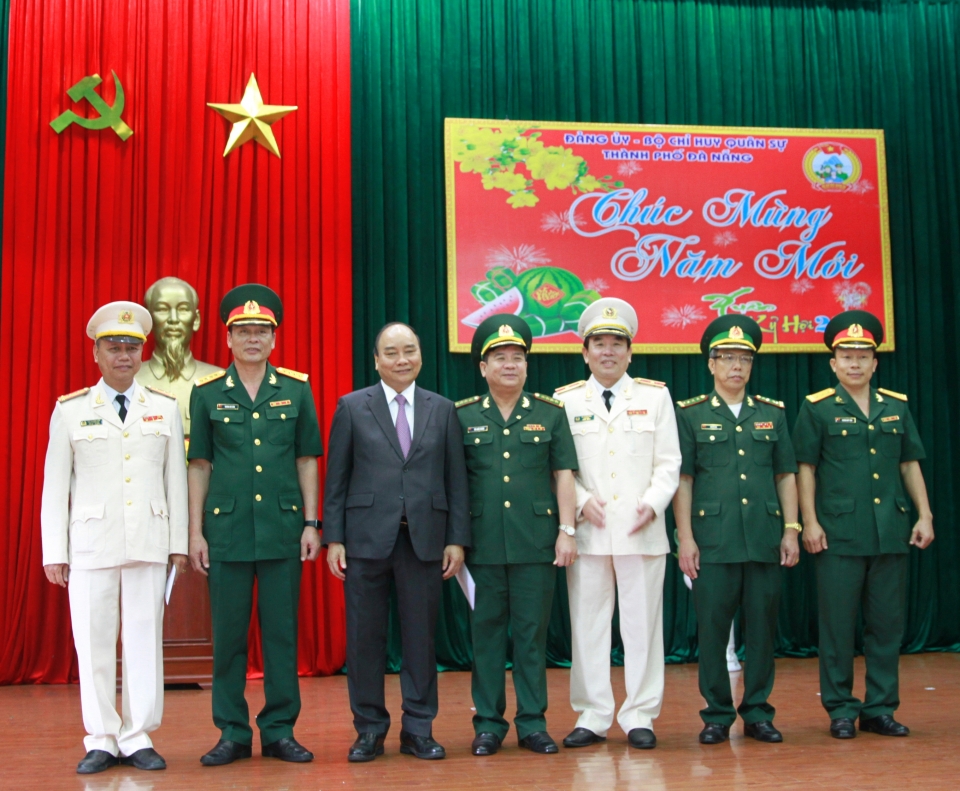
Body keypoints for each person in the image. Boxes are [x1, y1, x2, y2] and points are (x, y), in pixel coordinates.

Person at [41, 301, 188, 774]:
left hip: (148, 538)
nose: (123, 355)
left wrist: (178, 543)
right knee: (94, 641)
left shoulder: (162, 409)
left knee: (145, 641)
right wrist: (53, 551)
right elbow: (54, 487)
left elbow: (176, 482)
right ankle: (102, 737)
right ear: (96, 354)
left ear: (142, 354)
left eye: (130, 347)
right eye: (113, 347)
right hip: (90, 546)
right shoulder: (70, 410)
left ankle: (138, 734)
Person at [187, 284, 323, 766]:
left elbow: (307, 457)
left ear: (273, 338)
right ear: (227, 339)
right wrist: (194, 531)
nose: (252, 338)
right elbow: (198, 464)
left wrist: (311, 522)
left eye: (261, 331)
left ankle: (280, 729)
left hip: (283, 528)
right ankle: (232, 732)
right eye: (243, 331)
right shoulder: (205, 395)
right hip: (226, 531)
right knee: (227, 638)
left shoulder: (295, 388)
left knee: (282, 634)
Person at [322, 322, 470, 762]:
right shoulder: (352, 407)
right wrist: (335, 538)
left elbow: (456, 480)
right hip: (365, 540)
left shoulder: (442, 409)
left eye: (410, 350)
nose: (401, 359)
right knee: (365, 640)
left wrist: (456, 539)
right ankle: (368, 730)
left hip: (425, 541)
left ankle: (418, 728)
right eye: (391, 352)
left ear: (421, 356)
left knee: (421, 639)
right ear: (376, 360)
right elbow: (338, 478)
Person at [792, 310, 934, 739]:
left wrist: (924, 513)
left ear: (875, 362)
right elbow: (804, 469)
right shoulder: (817, 409)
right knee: (837, 626)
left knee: (886, 625)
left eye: (862, 356)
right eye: (846, 356)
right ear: (833, 363)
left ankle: (880, 708)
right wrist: (808, 522)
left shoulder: (896, 406)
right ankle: (839, 709)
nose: (855, 363)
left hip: (889, 528)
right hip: (838, 532)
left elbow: (909, 464)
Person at [553, 298, 681, 750]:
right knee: (588, 624)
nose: (608, 351)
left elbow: (670, 462)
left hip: (641, 529)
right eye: (599, 344)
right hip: (588, 532)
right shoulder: (566, 401)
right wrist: (582, 502)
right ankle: (592, 713)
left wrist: (654, 502)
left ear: (630, 351)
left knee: (643, 626)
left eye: (617, 344)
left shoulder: (654, 395)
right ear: (584, 352)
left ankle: (640, 713)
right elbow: (561, 466)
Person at [673, 315, 800, 745]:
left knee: (763, 630)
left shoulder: (773, 414)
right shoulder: (690, 415)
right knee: (711, 632)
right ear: (711, 364)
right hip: (714, 540)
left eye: (744, 358)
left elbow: (786, 475)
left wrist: (791, 528)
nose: (736, 366)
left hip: (764, 537)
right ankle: (717, 714)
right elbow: (684, 480)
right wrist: (685, 537)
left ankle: (759, 712)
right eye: (726, 357)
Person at [457, 314, 579, 757]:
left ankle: (532, 723)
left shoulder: (549, 413)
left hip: (536, 543)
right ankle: (488, 724)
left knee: (531, 636)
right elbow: (455, 484)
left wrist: (567, 531)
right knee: (486, 635)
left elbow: (563, 475)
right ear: (483, 367)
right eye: (500, 358)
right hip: (483, 544)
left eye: (517, 357)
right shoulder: (463, 415)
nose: (510, 364)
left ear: (527, 365)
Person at [135, 276, 222, 435]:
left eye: (183, 309)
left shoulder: (219, 381)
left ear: (195, 319)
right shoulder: (130, 380)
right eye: (162, 309)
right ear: (148, 319)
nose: (173, 320)